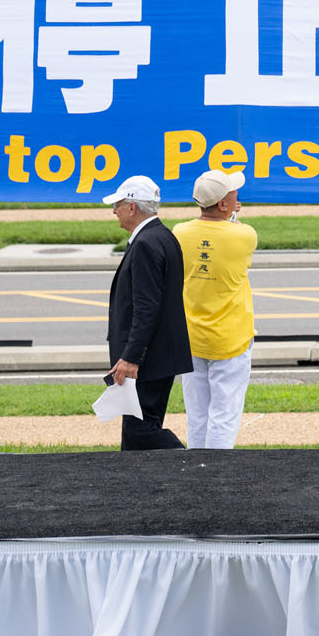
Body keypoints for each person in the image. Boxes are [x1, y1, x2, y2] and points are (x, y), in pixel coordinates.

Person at [102, 175, 191, 451]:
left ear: (131, 207)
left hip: (149, 359)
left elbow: (146, 307)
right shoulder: (163, 236)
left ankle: (192, 461)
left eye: (117, 204)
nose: (113, 211)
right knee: (136, 436)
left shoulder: (145, 244)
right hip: (160, 355)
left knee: (140, 432)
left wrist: (131, 357)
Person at [171, 169, 257, 449]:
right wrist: (232, 217)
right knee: (225, 414)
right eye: (232, 194)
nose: (237, 195)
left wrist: (227, 215)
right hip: (230, 338)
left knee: (197, 415)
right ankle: (216, 469)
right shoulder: (245, 235)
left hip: (191, 335)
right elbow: (232, 234)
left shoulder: (180, 232)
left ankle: (197, 465)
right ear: (222, 204)